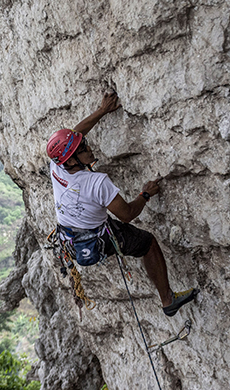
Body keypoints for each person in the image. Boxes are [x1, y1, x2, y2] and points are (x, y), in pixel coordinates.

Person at [46, 91, 198, 317]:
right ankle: (168, 300)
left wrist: (102, 111)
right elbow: (127, 214)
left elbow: (76, 134)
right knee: (147, 243)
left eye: (85, 144)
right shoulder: (97, 182)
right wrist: (145, 195)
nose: (89, 148)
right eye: (83, 149)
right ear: (71, 159)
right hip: (97, 235)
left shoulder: (57, 165)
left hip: (69, 234)